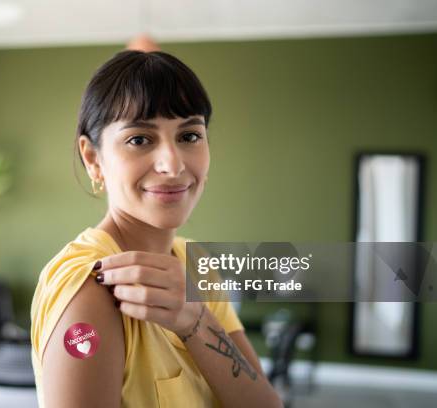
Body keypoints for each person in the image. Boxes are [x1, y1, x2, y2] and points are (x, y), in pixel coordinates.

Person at [30, 49, 282, 407]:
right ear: (93, 158)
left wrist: (195, 321)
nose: (173, 163)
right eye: (139, 139)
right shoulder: (90, 288)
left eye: (190, 136)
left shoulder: (197, 266)